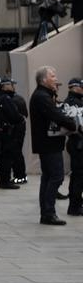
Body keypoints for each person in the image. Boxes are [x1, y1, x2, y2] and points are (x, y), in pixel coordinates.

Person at [30, 66, 78, 225]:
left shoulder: (44, 95)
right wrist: (73, 125)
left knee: (48, 177)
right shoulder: (42, 97)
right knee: (56, 176)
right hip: (48, 144)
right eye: (53, 76)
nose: (56, 78)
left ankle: (46, 212)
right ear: (44, 80)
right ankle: (48, 213)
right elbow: (55, 115)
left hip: (48, 143)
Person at [62, 77, 83, 215]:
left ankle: (75, 203)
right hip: (78, 143)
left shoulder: (74, 101)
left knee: (77, 175)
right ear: (75, 87)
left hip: (76, 142)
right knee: (78, 175)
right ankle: (74, 206)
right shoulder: (73, 103)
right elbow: (78, 125)